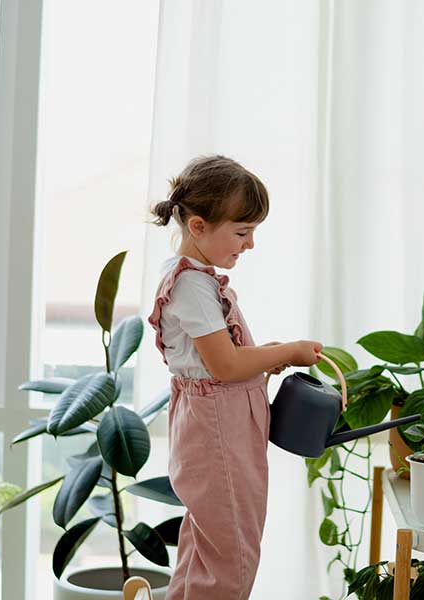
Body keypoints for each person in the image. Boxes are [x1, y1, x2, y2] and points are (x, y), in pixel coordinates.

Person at [147, 154, 322, 599]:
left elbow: (216, 360)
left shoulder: (195, 279)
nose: (249, 245)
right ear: (199, 226)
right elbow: (223, 367)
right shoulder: (191, 286)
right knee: (232, 553)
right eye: (242, 233)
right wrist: (285, 352)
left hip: (215, 419)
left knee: (208, 543)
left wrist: (264, 356)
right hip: (217, 425)